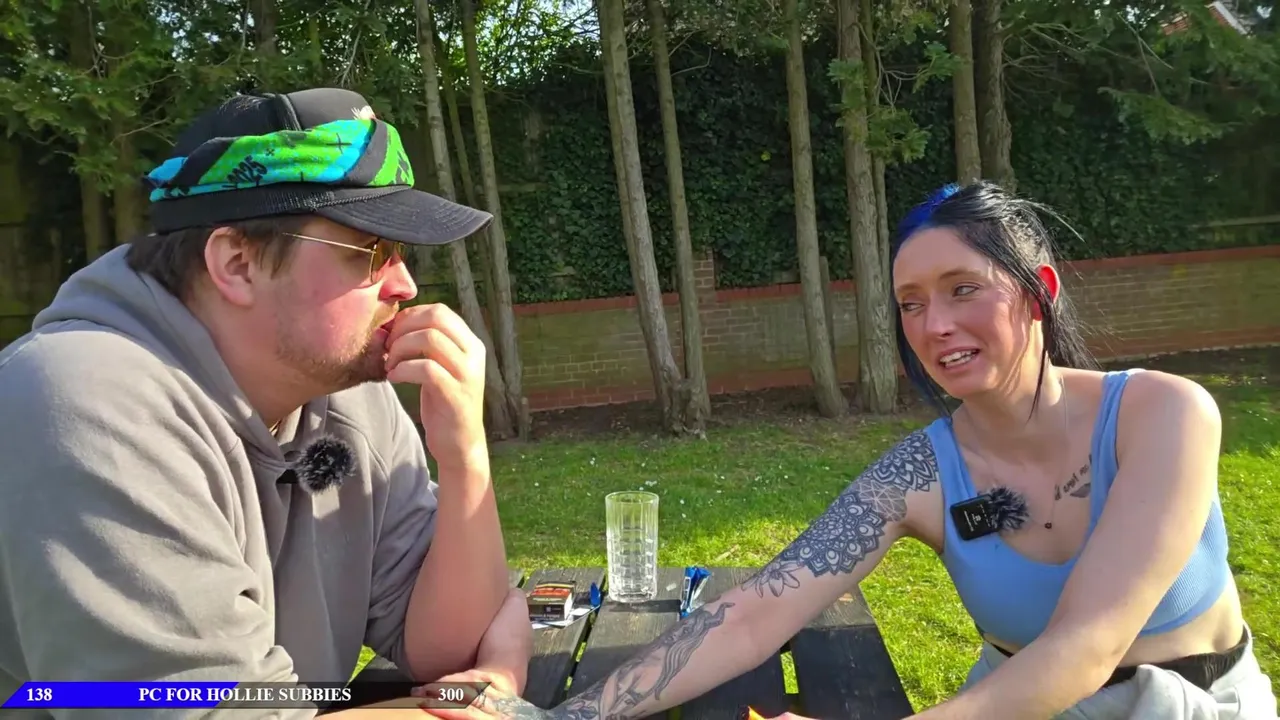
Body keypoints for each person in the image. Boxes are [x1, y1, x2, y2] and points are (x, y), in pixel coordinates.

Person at [420, 182, 1277, 719]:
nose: (935, 325)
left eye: (963, 289)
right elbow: (756, 611)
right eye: (911, 303)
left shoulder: (1160, 414)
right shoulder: (918, 475)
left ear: (1037, 294)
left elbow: (1085, 647)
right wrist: (564, 719)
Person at [0, 87, 531, 718]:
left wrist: (465, 455)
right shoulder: (81, 405)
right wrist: (494, 698)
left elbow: (446, 648)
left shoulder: (346, 395)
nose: (405, 285)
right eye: (372, 253)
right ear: (238, 263)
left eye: (402, 254)